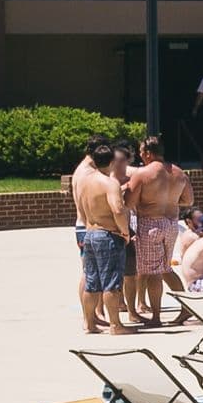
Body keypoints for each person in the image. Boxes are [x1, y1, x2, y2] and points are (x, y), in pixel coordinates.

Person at [69, 136, 132, 335]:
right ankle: (116, 325)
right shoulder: (109, 183)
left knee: (91, 282)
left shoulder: (84, 182)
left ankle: (89, 323)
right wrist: (125, 232)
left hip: (89, 233)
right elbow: (117, 210)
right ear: (112, 161)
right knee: (111, 283)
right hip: (108, 235)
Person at [125, 136, 189, 328]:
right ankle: (187, 307)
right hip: (171, 224)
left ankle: (155, 317)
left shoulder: (143, 174)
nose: (140, 156)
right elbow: (188, 200)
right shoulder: (179, 173)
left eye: (141, 152)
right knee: (166, 268)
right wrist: (168, 201)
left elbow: (129, 203)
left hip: (150, 224)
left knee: (153, 272)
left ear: (148, 153)